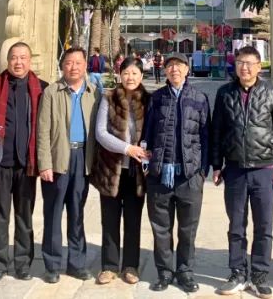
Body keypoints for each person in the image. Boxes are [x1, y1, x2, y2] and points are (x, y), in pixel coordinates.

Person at [210, 45, 273, 297]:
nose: (244, 68)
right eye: (240, 63)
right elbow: (216, 131)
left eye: (250, 63)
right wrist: (216, 165)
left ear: (258, 66)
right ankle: (237, 272)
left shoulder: (271, 92)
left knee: (264, 225)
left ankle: (259, 274)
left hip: (264, 169)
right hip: (234, 169)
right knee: (236, 225)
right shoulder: (224, 93)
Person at [0, 41, 45, 283]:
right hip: (0, 162)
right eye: (14, 57)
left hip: (27, 164)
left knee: (24, 216)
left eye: (23, 58)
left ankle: (23, 264)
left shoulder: (40, 89)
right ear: (8, 60)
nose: (18, 62)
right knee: (0, 215)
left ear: (30, 60)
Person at [142, 51, 210, 293]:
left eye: (180, 66)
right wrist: (147, 165)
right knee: (161, 228)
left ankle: (185, 272)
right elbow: (147, 134)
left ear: (187, 70)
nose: (175, 70)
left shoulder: (199, 98)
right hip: (160, 174)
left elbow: (206, 136)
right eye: (170, 66)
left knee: (187, 229)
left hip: (189, 176)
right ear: (165, 71)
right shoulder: (157, 98)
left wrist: (202, 170)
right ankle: (164, 272)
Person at [37, 47, 98, 283]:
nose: (73, 67)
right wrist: (44, 163)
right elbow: (43, 131)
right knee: (53, 213)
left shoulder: (94, 93)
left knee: (77, 212)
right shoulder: (51, 92)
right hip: (57, 159)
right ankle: (52, 265)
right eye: (69, 63)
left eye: (78, 62)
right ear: (62, 66)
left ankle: (77, 264)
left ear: (85, 65)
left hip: (82, 158)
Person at [90, 56, 151, 284]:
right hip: (111, 169)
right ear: (119, 75)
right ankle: (109, 266)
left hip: (137, 173)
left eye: (135, 73)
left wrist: (149, 151)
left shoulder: (149, 100)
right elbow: (100, 133)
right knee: (110, 219)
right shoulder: (109, 97)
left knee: (133, 221)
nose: (130, 77)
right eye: (126, 73)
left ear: (141, 76)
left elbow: (155, 131)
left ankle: (131, 266)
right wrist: (127, 149)